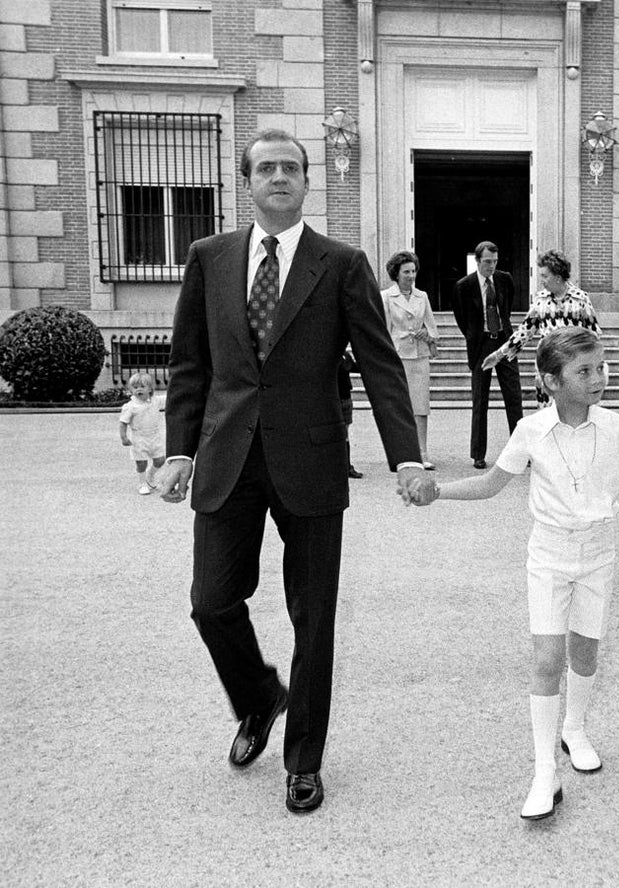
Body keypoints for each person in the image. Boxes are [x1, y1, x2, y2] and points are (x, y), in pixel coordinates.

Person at [153, 128, 426, 814]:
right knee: (210, 600)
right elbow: (191, 365)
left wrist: (407, 455)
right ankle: (258, 698)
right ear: (247, 182)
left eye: (291, 168)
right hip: (226, 456)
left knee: (315, 618)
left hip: (309, 459)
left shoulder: (340, 262)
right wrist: (180, 450)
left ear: (307, 182)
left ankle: (304, 761)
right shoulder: (208, 258)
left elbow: (380, 363)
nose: (279, 177)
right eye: (266, 168)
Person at [409, 327, 619, 821]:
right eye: (585, 371)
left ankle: (574, 728)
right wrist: (437, 491)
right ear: (551, 381)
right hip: (549, 556)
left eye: (601, 368)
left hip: (598, 555)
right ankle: (544, 770)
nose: (599, 378)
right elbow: (492, 485)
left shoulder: (615, 428)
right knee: (548, 659)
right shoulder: (531, 431)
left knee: (586, 653)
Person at [483, 249, 601, 407]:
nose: (542, 280)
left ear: (558, 277)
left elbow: (593, 337)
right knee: (546, 420)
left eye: (545, 276)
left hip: (574, 368)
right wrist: (498, 355)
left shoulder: (581, 300)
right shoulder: (541, 301)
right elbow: (523, 332)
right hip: (547, 369)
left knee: (575, 414)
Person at [452, 241, 523, 469]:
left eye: (494, 261)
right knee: (480, 400)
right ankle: (478, 455)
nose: (491, 266)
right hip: (481, 344)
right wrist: (476, 336)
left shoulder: (505, 280)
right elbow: (462, 319)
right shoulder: (464, 286)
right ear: (478, 261)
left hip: (505, 342)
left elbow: (507, 309)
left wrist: (503, 334)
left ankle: (520, 451)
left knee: (514, 397)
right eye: (487, 262)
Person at [382, 250, 439, 469]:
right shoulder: (386, 297)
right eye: (406, 271)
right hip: (398, 357)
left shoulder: (422, 296)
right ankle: (400, 453)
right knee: (399, 407)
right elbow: (385, 331)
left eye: (413, 271)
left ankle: (422, 452)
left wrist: (428, 334)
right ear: (396, 274)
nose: (411, 276)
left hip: (419, 356)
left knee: (421, 406)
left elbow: (433, 328)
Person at [118, 371, 165, 494]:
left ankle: (151, 475)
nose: (139, 389)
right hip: (139, 438)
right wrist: (123, 437)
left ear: (150, 389)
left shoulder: (156, 401)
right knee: (141, 462)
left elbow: (171, 398)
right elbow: (123, 422)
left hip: (154, 436)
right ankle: (142, 483)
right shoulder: (130, 406)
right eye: (135, 387)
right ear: (131, 390)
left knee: (160, 460)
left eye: (142, 387)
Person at [338, 350, 362, 478]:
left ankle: (346, 466)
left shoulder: (345, 355)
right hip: (332, 398)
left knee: (345, 433)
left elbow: (356, 368)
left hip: (345, 398)